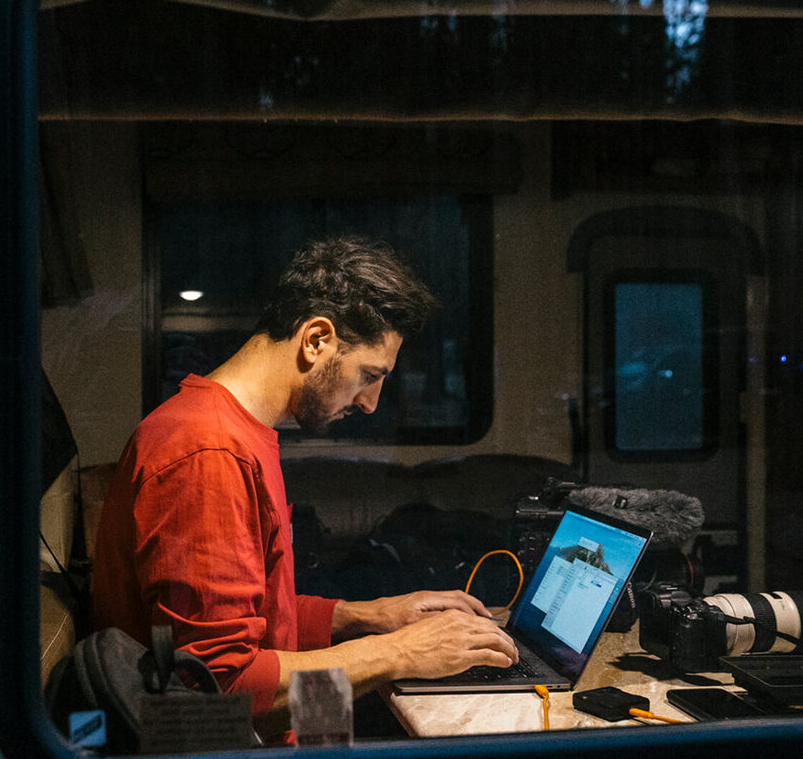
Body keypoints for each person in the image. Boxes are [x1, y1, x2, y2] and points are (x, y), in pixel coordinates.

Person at [92, 235, 517, 737]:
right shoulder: (207, 454)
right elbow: (222, 691)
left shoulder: (234, 430)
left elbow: (256, 617)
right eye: (369, 375)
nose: (371, 404)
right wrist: (400, 652)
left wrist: (373, 615)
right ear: (316, 339)